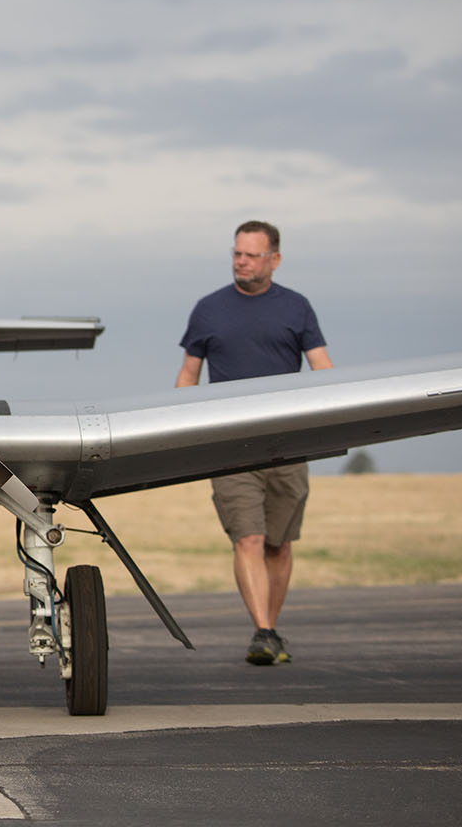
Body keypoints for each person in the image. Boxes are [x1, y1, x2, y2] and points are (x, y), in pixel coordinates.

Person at [175, 220, 333, 666]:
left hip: (287, 445)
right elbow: (187, 378)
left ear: (274, 260)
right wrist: (182, 434)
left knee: (278, 545)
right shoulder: (208, 309)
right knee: (248, 538)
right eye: (236, 253)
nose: (240, 262)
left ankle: (270, 630)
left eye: (250, 255)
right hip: (230, 447)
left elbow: (324, 369)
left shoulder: (297, 308)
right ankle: (262, 631)